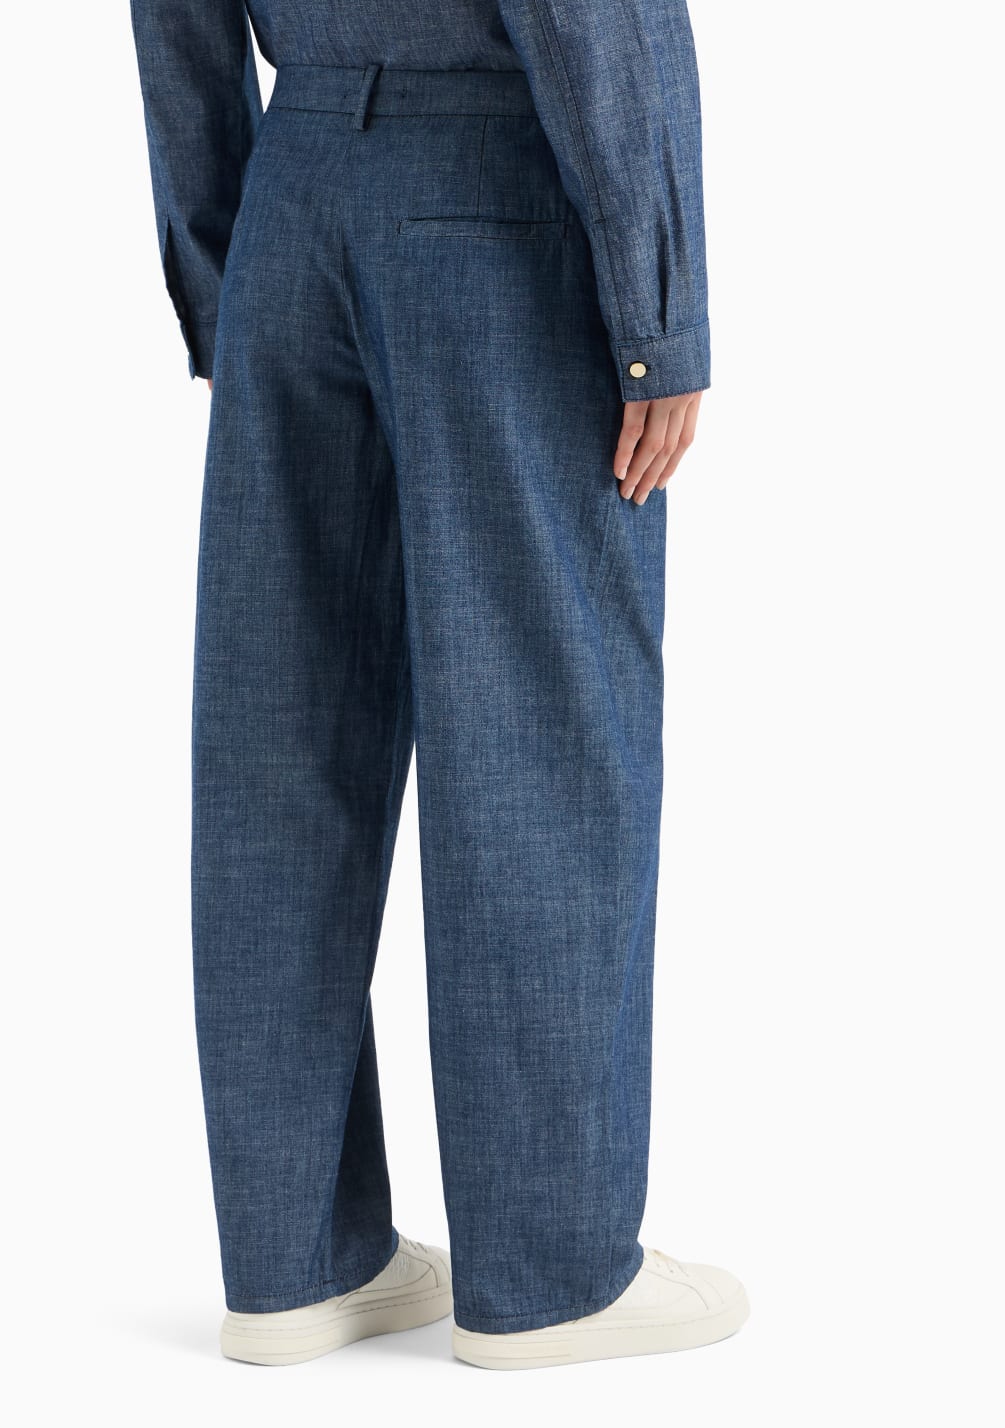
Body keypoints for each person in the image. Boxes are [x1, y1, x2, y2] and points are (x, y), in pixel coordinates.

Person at [129, 0, 748, 1371]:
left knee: (281, 739)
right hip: (494, 194)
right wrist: (658, 309)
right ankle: (552, 1272)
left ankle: (294, 1266)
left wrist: (225, 260)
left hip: (293, 195)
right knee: (540, 727)